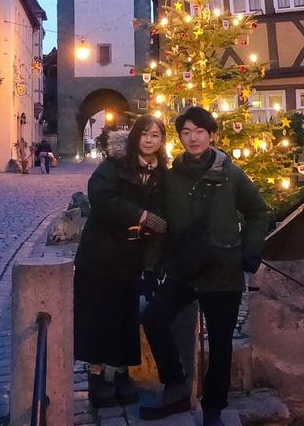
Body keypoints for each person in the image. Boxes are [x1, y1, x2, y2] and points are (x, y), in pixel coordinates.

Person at [140, 107, 269, 426]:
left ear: (211, 135)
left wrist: (251, 250)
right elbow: (162, 224)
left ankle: (213, 408)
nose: (192, 138)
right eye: (185, 132)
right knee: (154, 318)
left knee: (221, 343)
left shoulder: (231, 173)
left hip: (223, 270)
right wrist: (152, 267)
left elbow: (258, 212)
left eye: (199, 131)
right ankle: (176, 387)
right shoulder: (172, 176)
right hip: (184, 269)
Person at [74, 116, 169, 407]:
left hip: (132, 257)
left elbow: (165, 213)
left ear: (162, 140)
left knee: (126, 317)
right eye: (144, 134)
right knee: (98, 315)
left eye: (156, 135)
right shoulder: (114, 165)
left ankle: (123, 371)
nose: (149, 140)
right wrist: (141, 216)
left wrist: (154, 262)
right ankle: (96, 375)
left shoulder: (162, 173)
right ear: (135, 138)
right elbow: (101, 199)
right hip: (101, 253)